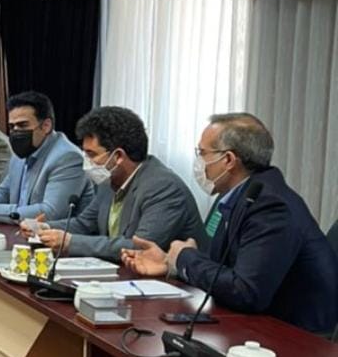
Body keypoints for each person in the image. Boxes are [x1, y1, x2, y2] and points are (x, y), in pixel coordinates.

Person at [122, 113, 338, 334]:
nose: (199, 162)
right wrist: (172, 263)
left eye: (202, 153)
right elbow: (224, 270)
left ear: (228, 160)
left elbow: (246, 291)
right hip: (258, 324)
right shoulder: (239, 196)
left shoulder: (270, 205)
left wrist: (185, 258)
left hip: (300, 337)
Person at [22, 106, 204, 262]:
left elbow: (139, 247)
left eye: (91, 154)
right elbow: (85, 224)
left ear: (118, 156)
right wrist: (46, 229)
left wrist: (70, 242)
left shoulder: (163, 188)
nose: (86, 162)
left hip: (175, 285)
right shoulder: (109, 180)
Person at [0, 91, 91, 219]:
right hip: (21, 229)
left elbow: (51, 212)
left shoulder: (67, 157)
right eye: (12, 127)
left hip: (54, 234)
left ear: (46, 126)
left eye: (23, 125)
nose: (16, 132)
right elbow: (4, 192)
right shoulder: (22, 151)